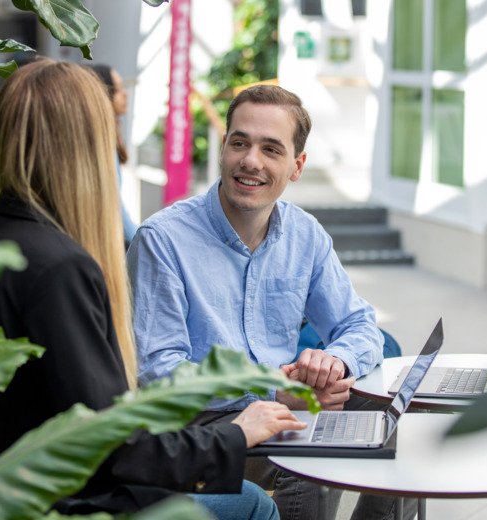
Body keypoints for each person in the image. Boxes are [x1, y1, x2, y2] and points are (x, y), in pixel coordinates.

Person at [0, 60, 307, 520]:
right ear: (88, 147)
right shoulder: (61, 269)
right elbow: (110, 446)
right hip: (41, 500)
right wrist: (238, 431)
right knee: (251, 505)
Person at [128, 85, 415, 520]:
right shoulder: (163, 240)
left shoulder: (306, 235)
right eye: (239, 143)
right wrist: (272, 390)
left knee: (393, 424)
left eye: (271, 149)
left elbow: (359, 324)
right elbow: (159, 374)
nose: (250, 161)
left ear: (296, 166)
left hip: (284, 406)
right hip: (199, 426)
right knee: (308, 449)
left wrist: (333, 364)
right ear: (223, 148)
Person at [87, 63, 138, 247]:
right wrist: (141, 241)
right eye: (118, 89)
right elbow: (113, 206)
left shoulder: (101, 136)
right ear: (103, 94)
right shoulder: (102, 143)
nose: (125, 94)